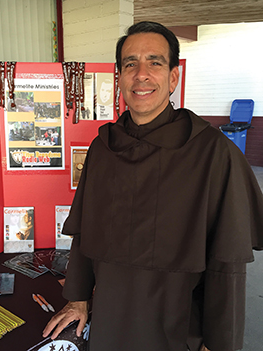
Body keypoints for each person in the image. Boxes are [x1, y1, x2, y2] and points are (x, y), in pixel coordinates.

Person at [43, 21, 263, 351]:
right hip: (109, 320)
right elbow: (86, 234)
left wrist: (220, 344)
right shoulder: (103, 148)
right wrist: (77, 299)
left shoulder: (213, 152)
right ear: (119, 78)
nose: (141, 74)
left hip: (178, 325)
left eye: (154, 62)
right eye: (130, 63)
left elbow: (227, 265)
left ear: (174, 77)